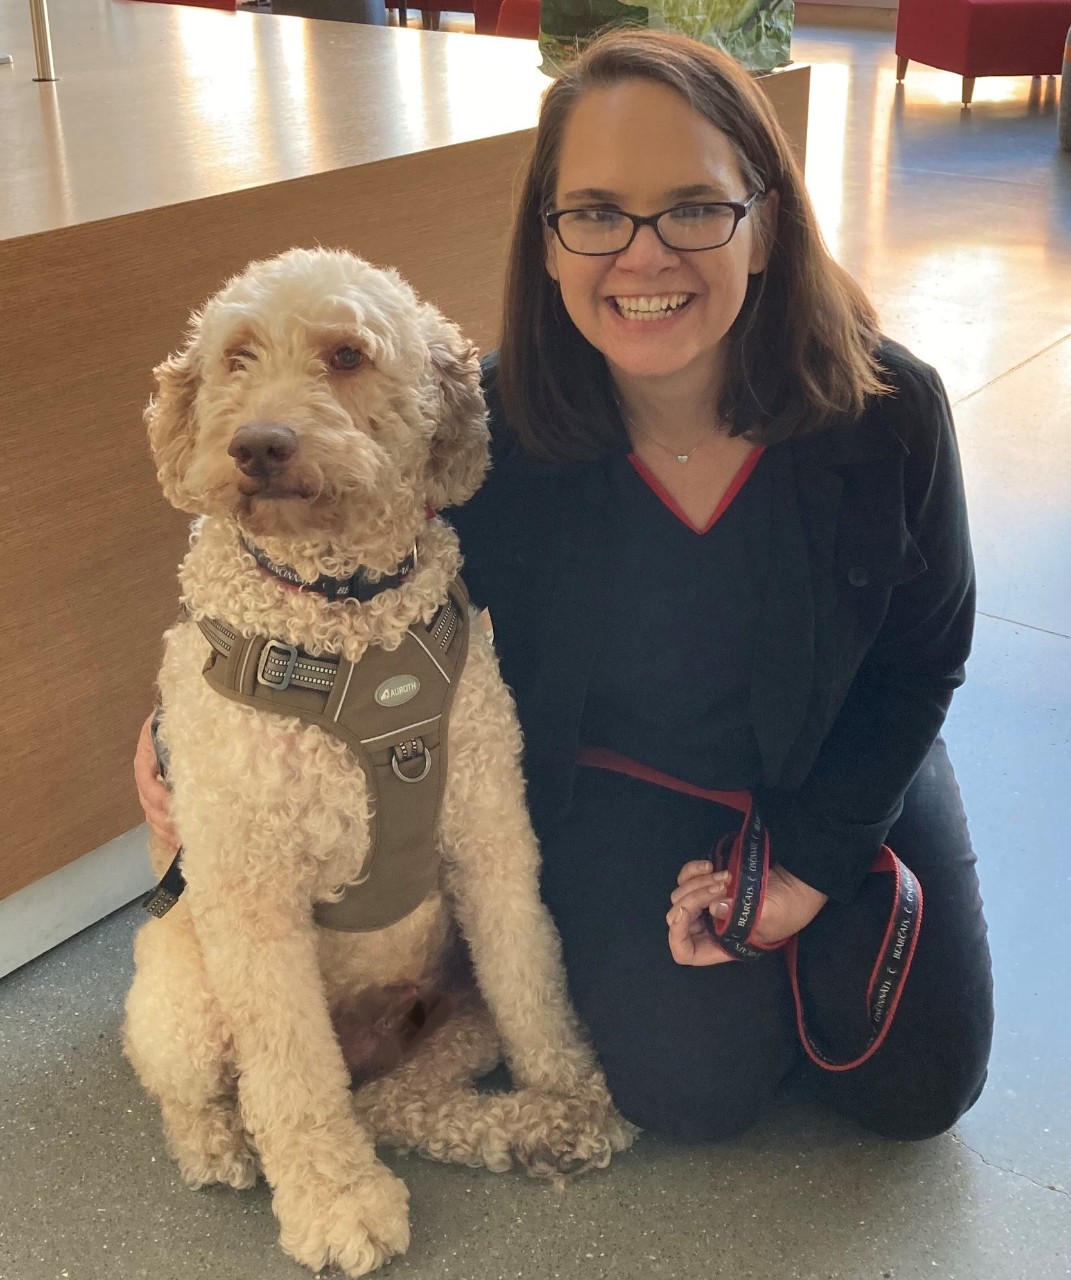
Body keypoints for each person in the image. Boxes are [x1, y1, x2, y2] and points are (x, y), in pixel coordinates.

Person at [135, 29, 993, 1144]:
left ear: (766, 220)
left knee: (918, 1090)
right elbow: (332, 573)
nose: (644, 256)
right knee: (695, 1090)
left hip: (843, 743)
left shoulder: (888, 413)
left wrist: (817, 868)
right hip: (624, 782)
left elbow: (925, 654)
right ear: (547, 239)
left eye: (694, 207)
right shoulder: (492, 434)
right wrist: (178, 722)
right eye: (595, 213)